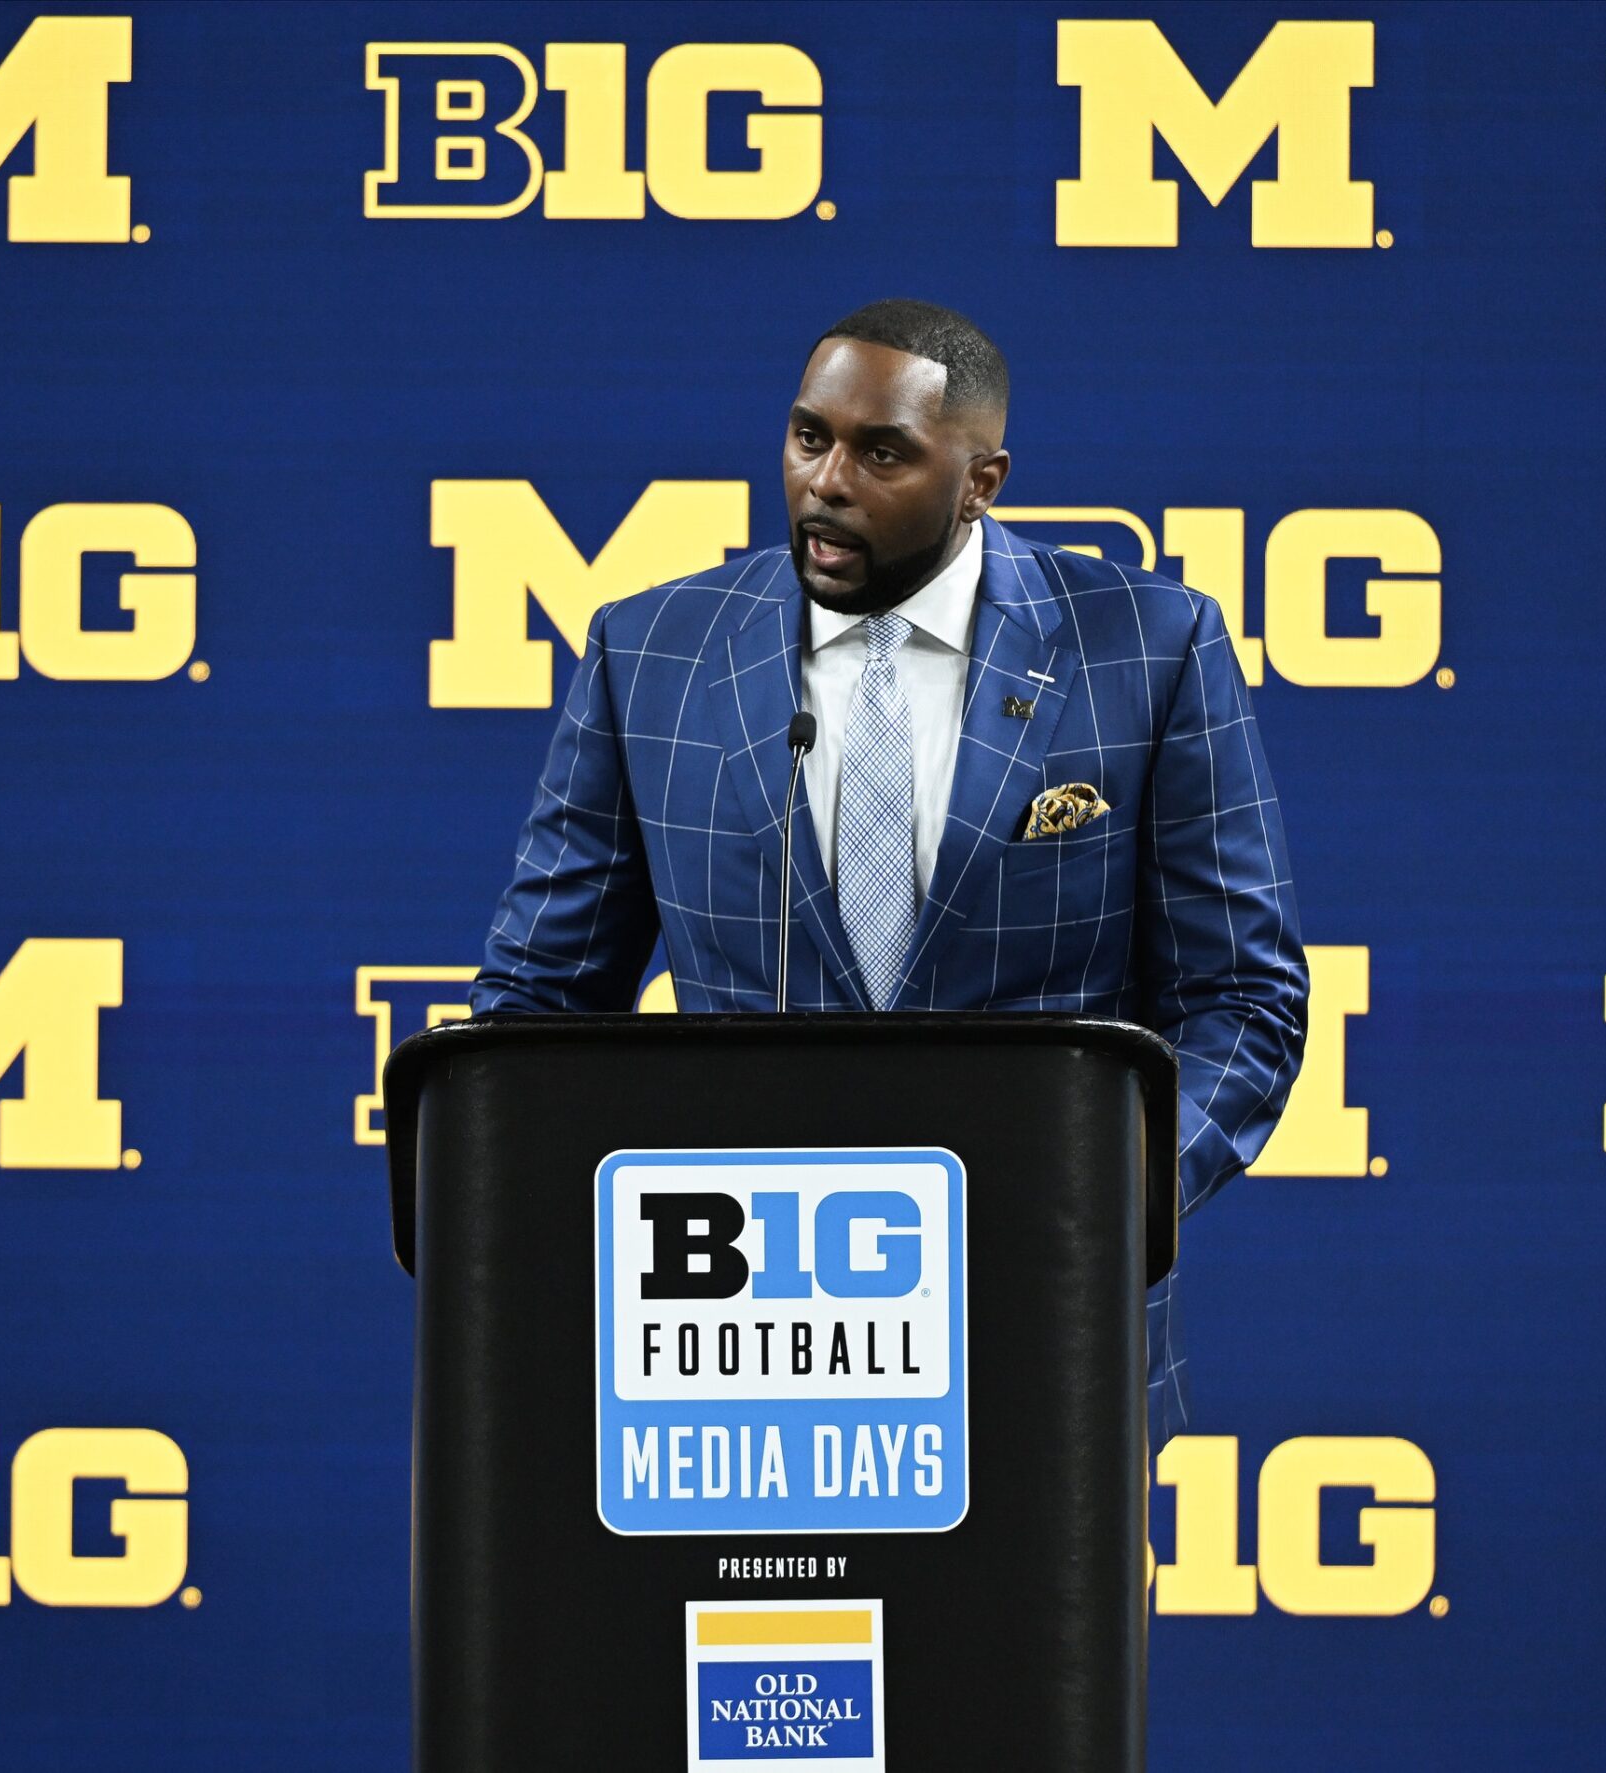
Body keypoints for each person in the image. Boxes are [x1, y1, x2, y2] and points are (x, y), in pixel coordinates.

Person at [473, 298, 1308, 1434]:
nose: (826, 481)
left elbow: (1242, 1001)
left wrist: (1101, 1203)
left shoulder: (1147, 648)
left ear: (981, 482)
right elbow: (536, 1010)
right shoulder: (650, 650)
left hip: (1039, 1345)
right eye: (809, 437)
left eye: (883, 453)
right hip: (723, 1357)